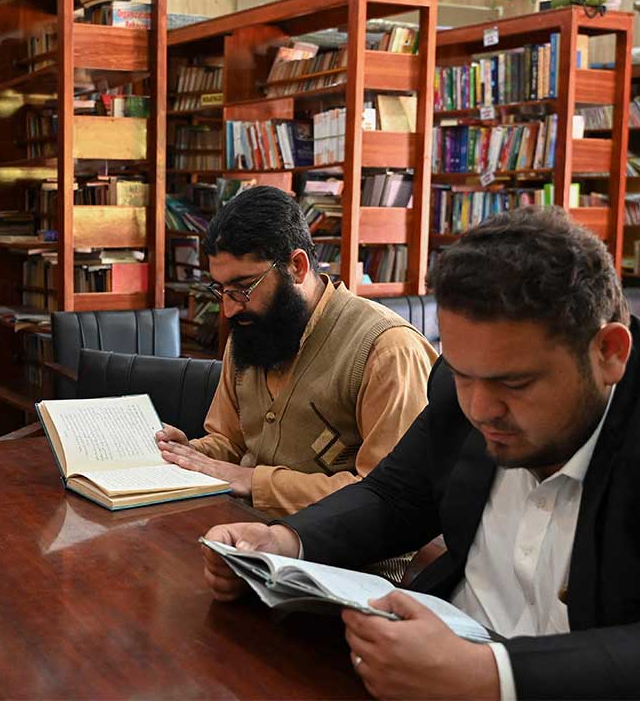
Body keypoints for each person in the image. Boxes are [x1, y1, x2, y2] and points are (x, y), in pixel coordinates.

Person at [199, 206, 640, 699]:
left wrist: (490, 677)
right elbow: (395, 494)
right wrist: (284, 544)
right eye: (464, 375)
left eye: (514, 384)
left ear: (610, 353)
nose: (480, 408)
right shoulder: (466, 382)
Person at [156, 186, 437, 516]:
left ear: (297, 266)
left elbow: (390, 495)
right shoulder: (250, 333)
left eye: (243, 289)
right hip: (244, 531)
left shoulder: (387, 351)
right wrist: (187, 453)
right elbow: (231, 442)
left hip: (343, 557)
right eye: (222, 290)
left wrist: (253, 482)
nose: (229, 310)